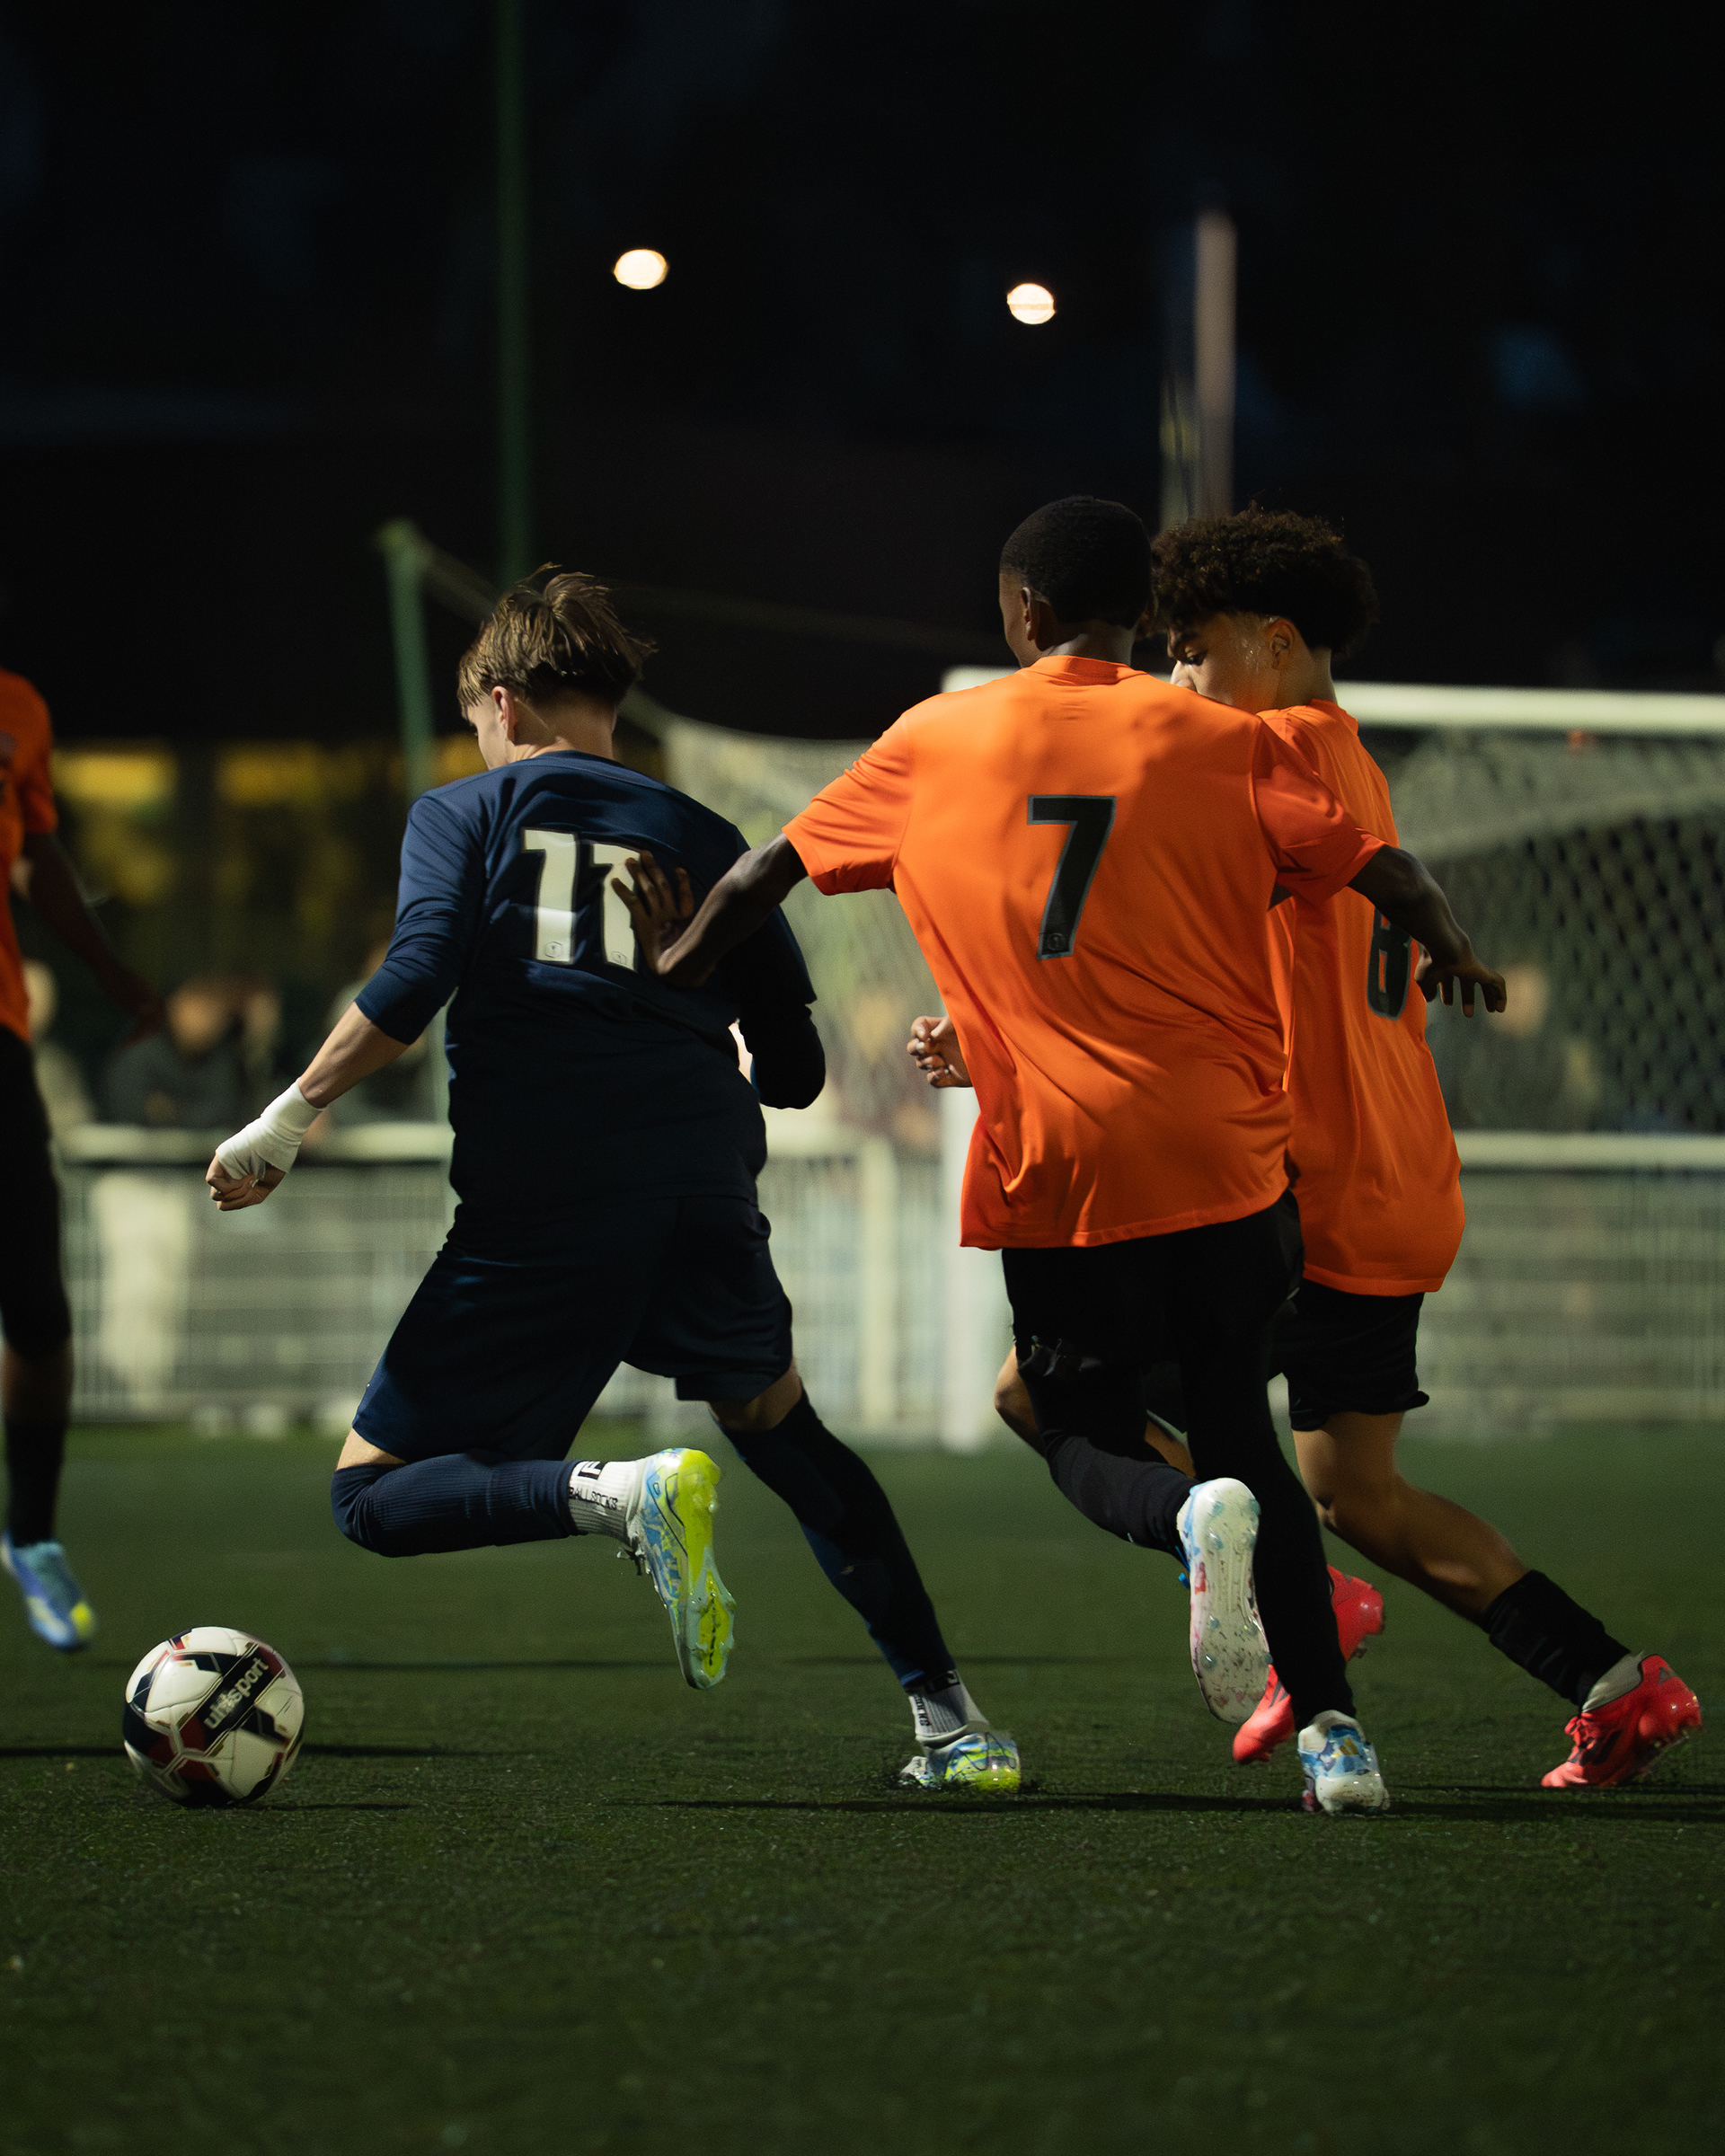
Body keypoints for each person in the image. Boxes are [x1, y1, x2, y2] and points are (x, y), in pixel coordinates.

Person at [617, 495, 1506, 1816]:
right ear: (1143, 617)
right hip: (1230, 1160)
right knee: (1243, 1432)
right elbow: (1388, 868)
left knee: (1072, 1419)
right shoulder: (1223, 739)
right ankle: (1339, 1744)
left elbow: (762, 876)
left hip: (1062, 1164)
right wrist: (1453, 948)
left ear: (1024, 611)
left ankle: (1182, 1522)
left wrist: (677, 964)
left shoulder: (935, 739)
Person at [206, 570, 1017, 1790]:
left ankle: (615, 1495)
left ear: (500, 701)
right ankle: (954, 1723)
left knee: (370, 1497)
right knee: (782, 1429)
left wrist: (286, 1116)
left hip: (547, 1197)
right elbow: (796, 1075)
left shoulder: (466, 812)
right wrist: (683, 981)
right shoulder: (705, 836)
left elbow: (418, 973)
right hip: (699, 1183)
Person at [1150, 505, 1700, 1789]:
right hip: (1396, 1177)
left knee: (1051, 1387)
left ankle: (1291, 1598)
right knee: (1360, 1495)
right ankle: (1618, 1684)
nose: (1176, 675)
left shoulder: (1262, 750)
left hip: (1307, 1186)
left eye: (1194, 648)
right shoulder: (1348, 757)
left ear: (1274, 642)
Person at [1, 662, 162, 1648]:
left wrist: (106, 965)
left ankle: (32, 1536)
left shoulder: (18, 708)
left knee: (39, 1313)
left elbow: (35, 851)